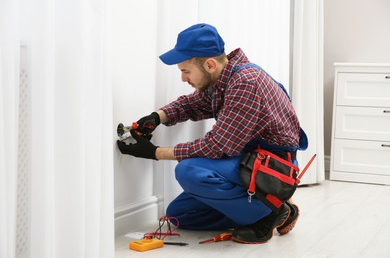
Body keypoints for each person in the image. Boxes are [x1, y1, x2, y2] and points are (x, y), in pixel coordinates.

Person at [117, 23, 308, 244]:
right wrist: (157, 117)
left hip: (271, 168)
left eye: (185, 71)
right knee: (179, 215)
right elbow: (192, 104)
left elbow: (217, 146)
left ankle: (272, 212)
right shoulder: (224, 80)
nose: (183, 78)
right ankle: (264, 206)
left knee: (189, 170)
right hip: (248, 163)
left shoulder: (246, 82)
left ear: (209, 64)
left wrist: (155, 152)